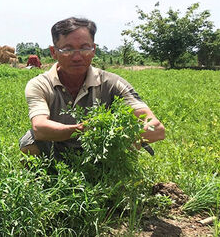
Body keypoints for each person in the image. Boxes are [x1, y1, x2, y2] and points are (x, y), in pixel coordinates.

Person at [19, 17, 165, 159]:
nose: (77, 57)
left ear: (94, 49)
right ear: (53, 52)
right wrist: (83, 129)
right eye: (67, 50)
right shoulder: (40, 84)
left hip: (102, 152)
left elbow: (157, 129)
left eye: (85, 48)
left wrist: (115, 134)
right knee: (29, 142)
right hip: (56, 152)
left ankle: (109, 177)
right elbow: (40, 128)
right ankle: (44, 180)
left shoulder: (112, 83)